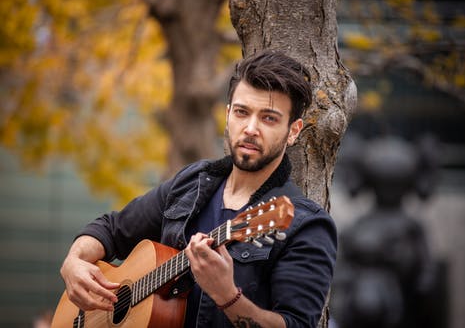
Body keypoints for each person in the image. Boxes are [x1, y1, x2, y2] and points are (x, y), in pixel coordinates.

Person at [60, 50, 337, 327]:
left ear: (293, 131)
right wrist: (74, 261)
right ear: (228, 115)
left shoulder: (305, 225)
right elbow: (112, 229)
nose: (250, 128)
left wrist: (226, 295)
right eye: (242, 112)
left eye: (269, 118)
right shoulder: (192, 183)